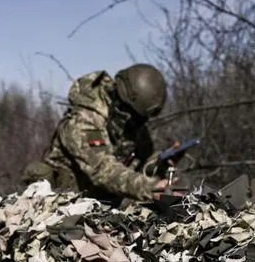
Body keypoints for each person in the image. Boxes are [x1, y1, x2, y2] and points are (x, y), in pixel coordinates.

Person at [24, 64, 170, 207]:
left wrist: (160, 164)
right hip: (61, 204)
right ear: (123, 105)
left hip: (98, 205)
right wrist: (148, 188)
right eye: (137, 118)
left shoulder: (128, 121)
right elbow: (102, 169)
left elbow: (144, 157)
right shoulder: (83, 121)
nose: (140, 123)